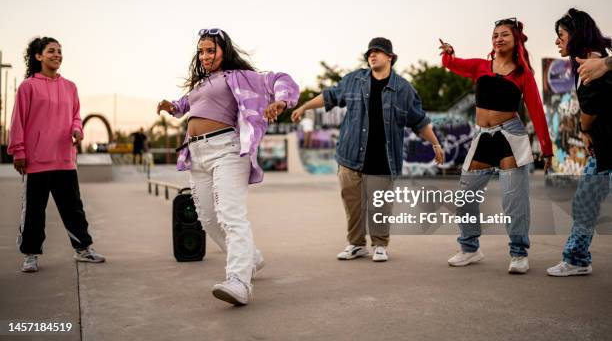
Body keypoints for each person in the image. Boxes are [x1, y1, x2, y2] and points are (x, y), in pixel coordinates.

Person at [157, 28, 299, 305]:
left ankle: (239, 281)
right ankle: (251, 259)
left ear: (224, 51)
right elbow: (185, 105)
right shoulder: (200, 84)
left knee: (230, 215)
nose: (206, 56)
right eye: (202, 51)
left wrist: (281, 101)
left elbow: (281, 79)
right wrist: (170, 106)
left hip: (228, 150)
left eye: (211, 50)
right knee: (208, 218)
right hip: (196, 154)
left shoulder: (240, 76)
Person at [292, 37, 444, 262]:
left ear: (390, 57)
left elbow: (419, 121)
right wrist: (304, 106)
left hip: (383, 159)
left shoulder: (403, 89)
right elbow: (330, 96)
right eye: (370, 52)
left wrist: (435, 144)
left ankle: (380, 245)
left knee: (379, 206)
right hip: (350, 155)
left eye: (378, 52)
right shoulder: (354, 80)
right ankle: (356, 244)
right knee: (353, 205)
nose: (372, 55)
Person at [439, 18, 553, 274]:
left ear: (516, 41)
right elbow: (452, 64)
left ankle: (519, 253)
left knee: (514, 201)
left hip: (510, 137)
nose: (498, 39)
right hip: (483, 137)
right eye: (495, 35)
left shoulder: (523, 74)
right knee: (465, 195)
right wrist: (448, 54)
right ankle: (469, 248)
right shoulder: (481, 66)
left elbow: (536, 111)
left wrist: (546, 149)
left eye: (504, 35)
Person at [8, 37, 105, 273]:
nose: (57, 55)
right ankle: (30, 255)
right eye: (51, 51)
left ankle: (83, 249)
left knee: (74, 209)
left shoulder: (70, 87)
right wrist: (18, 151)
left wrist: (77, 129)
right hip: (36, 161)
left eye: (60, 52)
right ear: (38, 56)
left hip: (64, 160)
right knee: (33, 212)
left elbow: (76, 115)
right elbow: (17, 121)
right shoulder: (28, 87)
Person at [547, 8, 612, 276]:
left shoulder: (591, 65)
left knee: (585, 205)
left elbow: (589, 112)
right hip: (602, 148)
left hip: (605, 149)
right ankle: (577, 259)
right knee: (585, 203)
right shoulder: (595, 60)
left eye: (560, 35)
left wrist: (585, 129)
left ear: (575, 35)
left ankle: (576, 259)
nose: (557, 41)